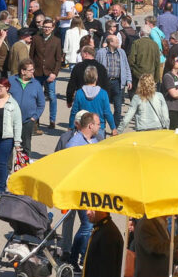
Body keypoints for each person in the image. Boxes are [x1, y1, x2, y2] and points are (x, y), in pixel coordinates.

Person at [64, 112, 101, 268]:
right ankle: (76, 259)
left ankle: (79, 258)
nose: (100, 127)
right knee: (87, 224)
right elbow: (69, 167)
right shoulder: (74, 143)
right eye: (98, 124)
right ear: (90, 125)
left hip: (93, 189)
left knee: (89, 225)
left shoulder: (94, 140)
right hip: (81, 190)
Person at [29, 18, 63, 130]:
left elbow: (59, 59)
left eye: (49, 27)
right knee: (36, 98)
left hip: (50, 73)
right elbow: (31, 56)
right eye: (45, 27)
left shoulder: (57, 41)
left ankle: (52, 120)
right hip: (37, 73)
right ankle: (35, 120)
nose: (46, 29)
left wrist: (54, 73)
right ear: (42, 27)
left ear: (53, 28)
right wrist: (31, 71)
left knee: (52, 97)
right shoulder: (36, 38)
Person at [70, 66, 117, 137]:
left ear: (85, 77)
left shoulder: (79, 93)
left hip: (83, 128)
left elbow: (74, 112)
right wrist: (113, 128)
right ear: (96, 77)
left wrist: (71, 126)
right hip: (99, 128)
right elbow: (107, 113)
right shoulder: (103, 93)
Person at [96, 35, 132, 125]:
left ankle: (115, 128)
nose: (118, 42)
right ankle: (102, 127)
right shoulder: (101, 52)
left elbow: (126, 66)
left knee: (118, 107)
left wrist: (129, 80)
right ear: (110, 43)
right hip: (105, 83)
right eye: (116, 41)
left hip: (117, 82)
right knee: (104, 106)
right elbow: (96, 67)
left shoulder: (121, 52)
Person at [82, 210, 123, 277]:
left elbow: (108, 270)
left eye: (92, 209)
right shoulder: (101, 228)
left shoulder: (109, 234)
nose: (88, 212)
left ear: (103, 210)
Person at [129, 25, 163, 91]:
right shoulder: (154, 44)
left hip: (138, 74)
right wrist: (156, 78)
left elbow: (131, 60)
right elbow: (157, 62)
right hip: (151, 75)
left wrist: (133, 71)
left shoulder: (136, 43)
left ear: (141, 33)